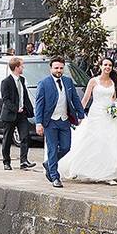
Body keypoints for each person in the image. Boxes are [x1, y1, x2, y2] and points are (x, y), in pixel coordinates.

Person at [58, 58, 117, 184]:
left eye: (110, 65)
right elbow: (86, 99)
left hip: (109, 115)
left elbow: (113, 99)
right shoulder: (93, 81)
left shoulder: (113, 82)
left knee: (110, 142)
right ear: (101, 66)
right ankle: (77, 167)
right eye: (105, 65)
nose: (107, 67)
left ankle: (108, 174)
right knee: (93, 141)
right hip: (96, 114)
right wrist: (79, 115)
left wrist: (115, 109)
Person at [34, 57, 86, 188]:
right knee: (52, 149)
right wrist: (38, 123)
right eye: (56, 68)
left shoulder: (68, 82)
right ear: (51, 68)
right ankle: (55, 176)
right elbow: (39, 105)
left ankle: (48, 164)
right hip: (50, 121)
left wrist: (80, 114)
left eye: (61, 68)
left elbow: (75, 99)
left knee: (65, 147)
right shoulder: (44, 83)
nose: (59, 70)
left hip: (64, 120)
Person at [0, 57, 36, 171]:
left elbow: (24, 96)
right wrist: (16, 109)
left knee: (25, 137)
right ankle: (6, 162)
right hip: (10, 114)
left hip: (22, 114)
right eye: (22, 66)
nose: (23, 67)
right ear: (16, 67)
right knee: (8, 139)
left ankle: (24, 161)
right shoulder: (6, 82)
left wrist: (29, 109)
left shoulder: (22, 80)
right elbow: (6, 99)